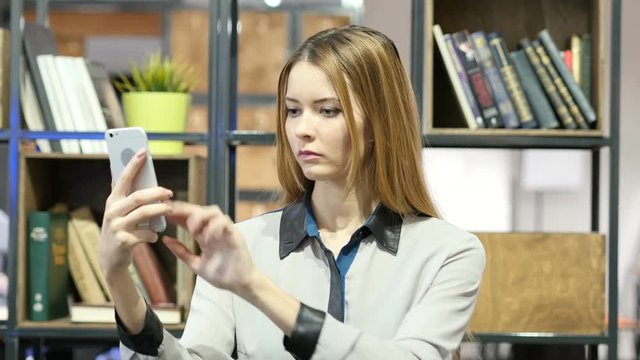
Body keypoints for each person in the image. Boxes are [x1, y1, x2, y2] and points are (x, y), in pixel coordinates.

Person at [100, 25, 486, 360]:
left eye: (328, 110)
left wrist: (256, 287)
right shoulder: (244, 245)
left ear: (378, 121)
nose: (301, 129)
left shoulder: (448, 254)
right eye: (293, 110)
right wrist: (118, 277)